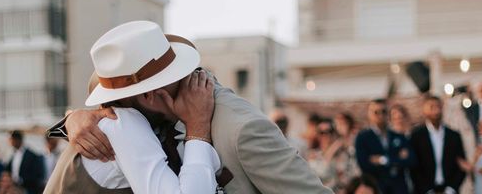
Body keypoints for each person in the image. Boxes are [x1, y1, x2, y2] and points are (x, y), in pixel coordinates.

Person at [48, 20, 333, 194]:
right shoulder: (127, 118)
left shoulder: (241, 128)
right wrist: (74, 118)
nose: (109, 106)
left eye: (118, 97)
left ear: (147, 96)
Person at [409, 95, 466, 194]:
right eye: (431, 107)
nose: (436, 111)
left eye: (438, 107)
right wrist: (427, 190)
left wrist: (451, 189)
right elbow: (414, 167)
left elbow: (461, 165)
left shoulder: (454, 135)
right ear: (424, 110)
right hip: (424, 190)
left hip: (449, 190)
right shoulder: (416, 136)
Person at [355, 99, 413, 194]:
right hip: (377, 187)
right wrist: (397, 158)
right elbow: (364, 164)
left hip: (399, 188)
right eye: (376, 112)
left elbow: (410, 160)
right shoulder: (363, 137)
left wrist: (382, 160)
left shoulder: (398, 136)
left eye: (384, 111)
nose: (380, 115)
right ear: (369, 114)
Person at [331, 112, 360, 191]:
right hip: (341, 184)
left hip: (355, 182)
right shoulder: (337, 142)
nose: (339, 127)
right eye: (337, 124)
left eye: (342, 123)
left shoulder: (356, 140)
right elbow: (327, 159)